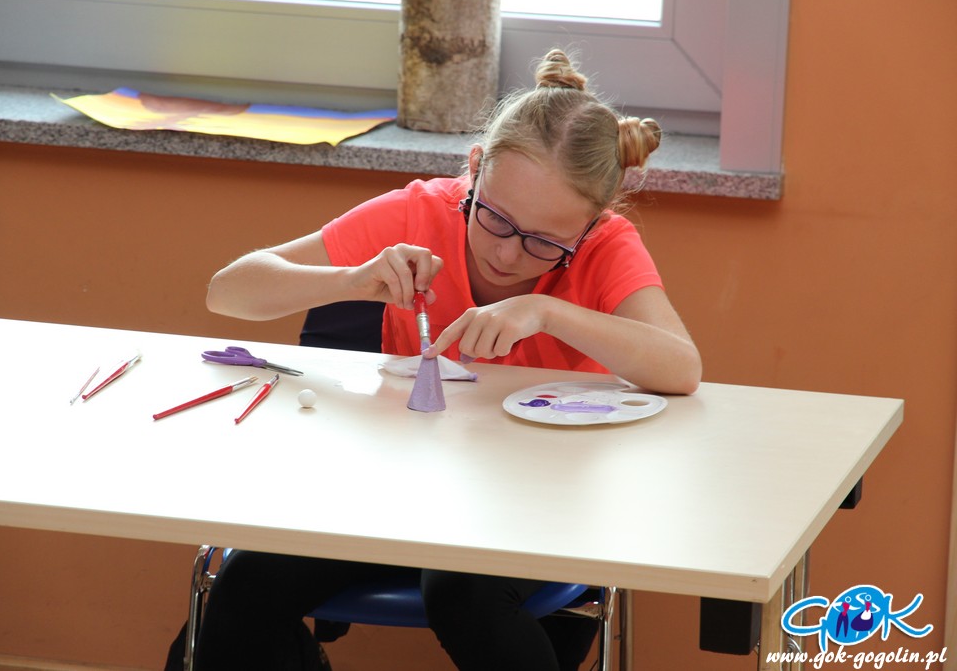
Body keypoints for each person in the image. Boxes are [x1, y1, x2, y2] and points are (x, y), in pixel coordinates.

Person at [166, 48, 701, 671]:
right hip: (407, 488)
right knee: (245, 592)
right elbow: (228, 291)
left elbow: (681, 368)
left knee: (464, 590)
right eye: (496, 219)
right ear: (474, 170)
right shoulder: (420, 213)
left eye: (544, 242)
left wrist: (548, 311)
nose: (507, 255)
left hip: (546, 500)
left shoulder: (605, 248)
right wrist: (352, 279)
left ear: (588, 228)